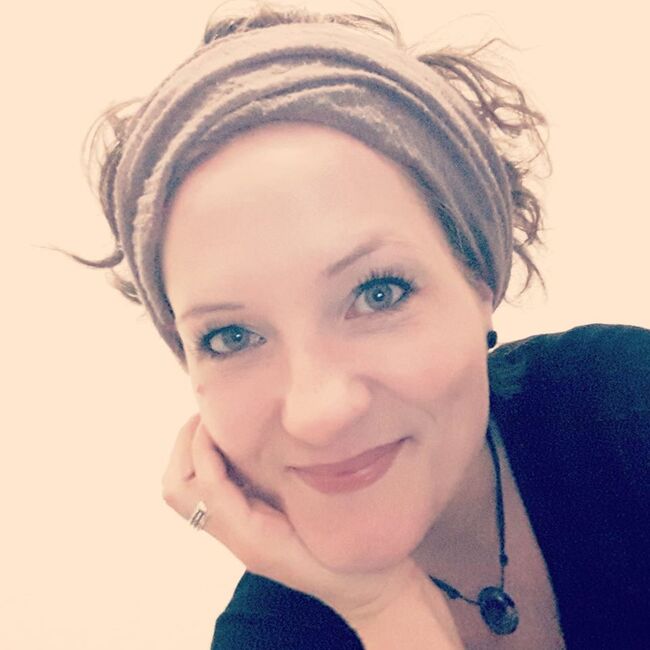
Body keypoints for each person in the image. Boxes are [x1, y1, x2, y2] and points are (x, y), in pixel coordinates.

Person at [77, 2, 650, 648]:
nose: (319, 412)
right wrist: (384, 608)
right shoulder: (265, 639)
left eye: (378, 293)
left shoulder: (623, 406)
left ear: (480, 281)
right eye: (231, 337)